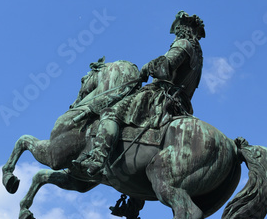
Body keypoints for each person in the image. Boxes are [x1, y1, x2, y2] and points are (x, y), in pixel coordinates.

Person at [76, 11, 206, 179]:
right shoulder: (198, 57)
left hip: (160, 97)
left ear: (183, 30)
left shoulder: (182, 44)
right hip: (181, 105)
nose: (176, 33)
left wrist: (146, 68)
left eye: (178, 29)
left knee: (111, 113)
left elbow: (166, 66)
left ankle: (98, 159)